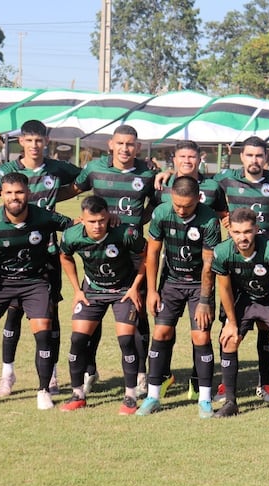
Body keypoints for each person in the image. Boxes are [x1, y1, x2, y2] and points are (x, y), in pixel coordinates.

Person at [0, 119, 82, 398]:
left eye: (39, 140)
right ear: (22, 142)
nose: (35, 145)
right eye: (29, 140)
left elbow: (84, 181)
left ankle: (50, 373)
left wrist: (61, 195)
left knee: (50, 315)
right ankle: (7, 373)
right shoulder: (9, 170)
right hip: (12, 252)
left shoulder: (56, 168)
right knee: (11, 314)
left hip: (47, 253)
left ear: (45, 142)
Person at [0, 172, 73, 410]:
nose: (15, 198)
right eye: (9, 193)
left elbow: (75, 226)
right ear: (2, 195)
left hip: (34, 281)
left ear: (28, 193)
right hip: (0, 280)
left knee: (43, 330)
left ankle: (43, 391)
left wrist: (105, 221)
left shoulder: (43, 217)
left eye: (19, 192)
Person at [70, 124, 157, 396]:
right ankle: (88, 370)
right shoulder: (95, 168)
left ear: (138, 147)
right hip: (97, 258)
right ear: (111, 144)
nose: (125, 148)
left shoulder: (147, 173)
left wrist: (133, 223)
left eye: (130, 144)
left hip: (133, 257)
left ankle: (141, 374)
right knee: (91, 319)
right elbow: (72, 189)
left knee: (138, 318)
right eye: (120, 143)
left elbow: (155, 205)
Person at [212, 136, 269, 405]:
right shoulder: (226, 178)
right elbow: (202, 190)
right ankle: (227, 385)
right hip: (236, 261)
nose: (254, 160)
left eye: (259, 156)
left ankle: (265, 382)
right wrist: (166, 176)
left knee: (266, 328)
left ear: (266, 157)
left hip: (267, 258)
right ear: (242, 157)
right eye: (249, 155)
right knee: (229, 324)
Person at [137, 176, 222, 418]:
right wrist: (152, 290)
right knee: (161, 333)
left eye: (187, 205)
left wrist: (205, 301)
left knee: (201, 334)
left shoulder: (209, 220)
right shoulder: (162, 213)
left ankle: (204, 398)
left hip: (199, 284)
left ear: (198, 198)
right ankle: (153, 396)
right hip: (171, 283)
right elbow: (152, 253)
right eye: (177, 205)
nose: (182, 210)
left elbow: (208, 263)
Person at [59, 195, 146, 414]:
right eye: (92, 221)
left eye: (101, 220)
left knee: (126, 339)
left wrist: (135, 286)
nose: (97, 226)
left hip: (123, 290)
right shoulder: (72, 235)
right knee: (78, 339)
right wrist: (77, 290)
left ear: (108, 217)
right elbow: (65, 257)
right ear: (82, 219)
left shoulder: (125, 233)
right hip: (92, 290)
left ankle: (130, 396)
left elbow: (146, 255)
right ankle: (77, 394)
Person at [154, 140, 223, 400]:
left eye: (192, 156)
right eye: (182, 156)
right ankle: (160, 377)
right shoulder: (161, 184)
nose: (187, 160)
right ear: (174, 158)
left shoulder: (214, 186)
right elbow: (153, 228)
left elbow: (225, 214)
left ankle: (199, 382)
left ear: (200, 158)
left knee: (201, 332)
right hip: (170, 274)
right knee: (163, 329)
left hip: (201, 273)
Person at [211, 208, 269, 423]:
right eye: (237, 232)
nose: (242, 237)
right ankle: (230, 402)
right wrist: (231, 323)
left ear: (256, 229)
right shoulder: (221, 252)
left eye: (247, 231)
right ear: (230, 232)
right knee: (228, 340)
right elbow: (225, 290)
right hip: (243, 300)